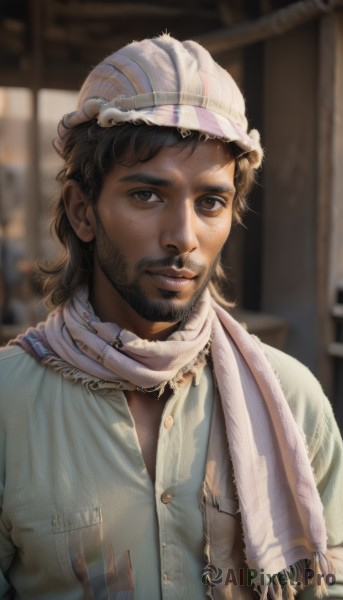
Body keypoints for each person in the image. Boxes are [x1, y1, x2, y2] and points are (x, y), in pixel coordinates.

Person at [0, 34, 342, 600]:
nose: (184, 238)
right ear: (83, 212)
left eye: (210, 202)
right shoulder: (9, 405)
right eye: (147, 196)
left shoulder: (291, 401)